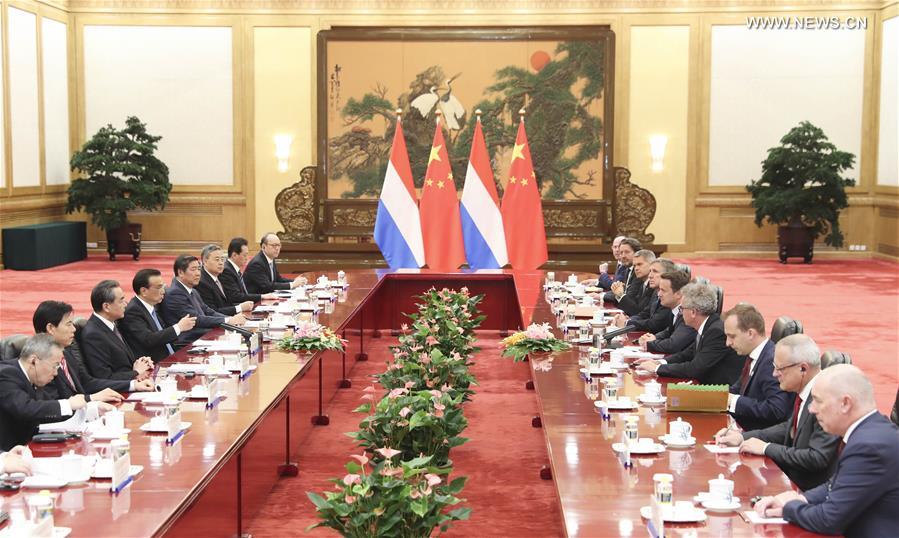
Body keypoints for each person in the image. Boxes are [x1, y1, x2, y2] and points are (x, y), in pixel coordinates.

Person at [754, 364, 899, 537]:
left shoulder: (869, 446)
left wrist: (788, 508)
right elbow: (836, 483)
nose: (811, 409)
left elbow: (828, 519)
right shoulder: (873, 429)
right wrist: (801, 498)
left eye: (818, 401)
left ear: (845, 403)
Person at [714, 334, 839, 490]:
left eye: (780, 368)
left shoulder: (825, 400)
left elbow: (816, 458)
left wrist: (766, 448)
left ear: (803, 368)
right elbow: (790, 428)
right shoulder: (807, 391)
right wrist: (742, 437)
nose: (774, 374)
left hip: (809, 492)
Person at [0, 335, 114, 450]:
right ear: (34, 361)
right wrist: (69, 404)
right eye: (55, 366)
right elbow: (26, 409)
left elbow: (50, 407)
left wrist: (90, 409)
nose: (55, 373)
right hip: (9, 452)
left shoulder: (32, 377)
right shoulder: (6, 373)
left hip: (27, 447)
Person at [33, 300, 152, 401]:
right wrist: (91, 399)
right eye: (68, 324)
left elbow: (87, 382)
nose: (74, 329)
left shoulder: (65, 352)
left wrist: (133, 385)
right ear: (51, 328)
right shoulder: (39, 361)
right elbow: (54, 405)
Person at [635, 282, 743, 385]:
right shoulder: (707, 325)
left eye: (682, 309)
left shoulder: (716, 332)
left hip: (720, 391)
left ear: (693, 312)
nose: (680, 313)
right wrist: (659, 362)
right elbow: (686, 354)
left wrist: (657, 368)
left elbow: (694, 368)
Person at [723, 303, 794, 431]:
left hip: (756, 435)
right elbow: (736, 389)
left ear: (750, 333)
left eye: (732, 336)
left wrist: (734, 401)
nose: (728, 343)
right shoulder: (753, 354)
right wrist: (704, 396)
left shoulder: (770, 361)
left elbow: (776, 409)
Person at [161, 255, 246, 346]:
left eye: (199, 269)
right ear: (180, 272)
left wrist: (231, 319)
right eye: (193, 269)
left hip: (203, 336)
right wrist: (228, 320)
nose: (198, 273)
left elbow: (208, 311)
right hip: (188, 343)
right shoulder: (175, 293)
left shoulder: (193, 291)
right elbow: (196, 319)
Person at [80, 280, 154, 381]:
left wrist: (141, 363)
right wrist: (136, 372)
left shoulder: (111, 323)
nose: (125, 304)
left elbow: (123, 361)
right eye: (121, 300)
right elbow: (104, 377)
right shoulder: (93, 334)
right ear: (106, 307)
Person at [120, 269, 196, 361]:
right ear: (144, 291)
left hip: (171, 356)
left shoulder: (153, 305)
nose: (163, 291)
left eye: (163, 286)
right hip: (155, 363)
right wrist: (179, 327)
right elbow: (148, 339)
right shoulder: (133, 311)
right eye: (159, 287)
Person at [638, 270, 696, 355]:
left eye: (663, 290)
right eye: (659, 290)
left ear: (678, 294)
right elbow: (668, 331)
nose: (659, 294)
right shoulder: (674, 309)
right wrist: (654, 337)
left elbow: (673, 345)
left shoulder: (688, 313)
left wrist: (650, 343)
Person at [613, 258, 676, 334]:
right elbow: (645, 314)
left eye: (655, 271)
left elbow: (655, 325)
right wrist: (629, 319)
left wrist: (626, 323)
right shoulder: (656, 292)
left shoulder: (670, 295)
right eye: (650, 271)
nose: (650, 276)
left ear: (668, 275)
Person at [196, 244, 255, 315]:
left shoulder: (220, 276)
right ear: (205, 261)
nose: (221, 263)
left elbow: (227, 303)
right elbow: (212, 312)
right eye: (217, 260)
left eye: (222, 259)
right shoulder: (202, 282)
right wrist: (239, 308)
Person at [219, 237, 277, 304]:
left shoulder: (234, 270)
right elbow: (236, 296)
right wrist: (262, 296)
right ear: (234, 255)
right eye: (244, 255)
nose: (247, 258)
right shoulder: (227, 271)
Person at [613, 249, 656, 316]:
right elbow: (635, 306)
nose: (636, 268)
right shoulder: (642, 283)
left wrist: (621, 295)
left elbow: (638, 312)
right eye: (635, 265)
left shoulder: (654, 286)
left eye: (639, 264)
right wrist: (619, 295)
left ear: (651, 265)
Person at [603, 238, 641, 304]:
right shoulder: (627, 269)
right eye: (621, 253)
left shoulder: (639, 272)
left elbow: (629, 297)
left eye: (627, 252)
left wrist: (602, 296)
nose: (623, 256)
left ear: (637, 253)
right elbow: (619, 292)